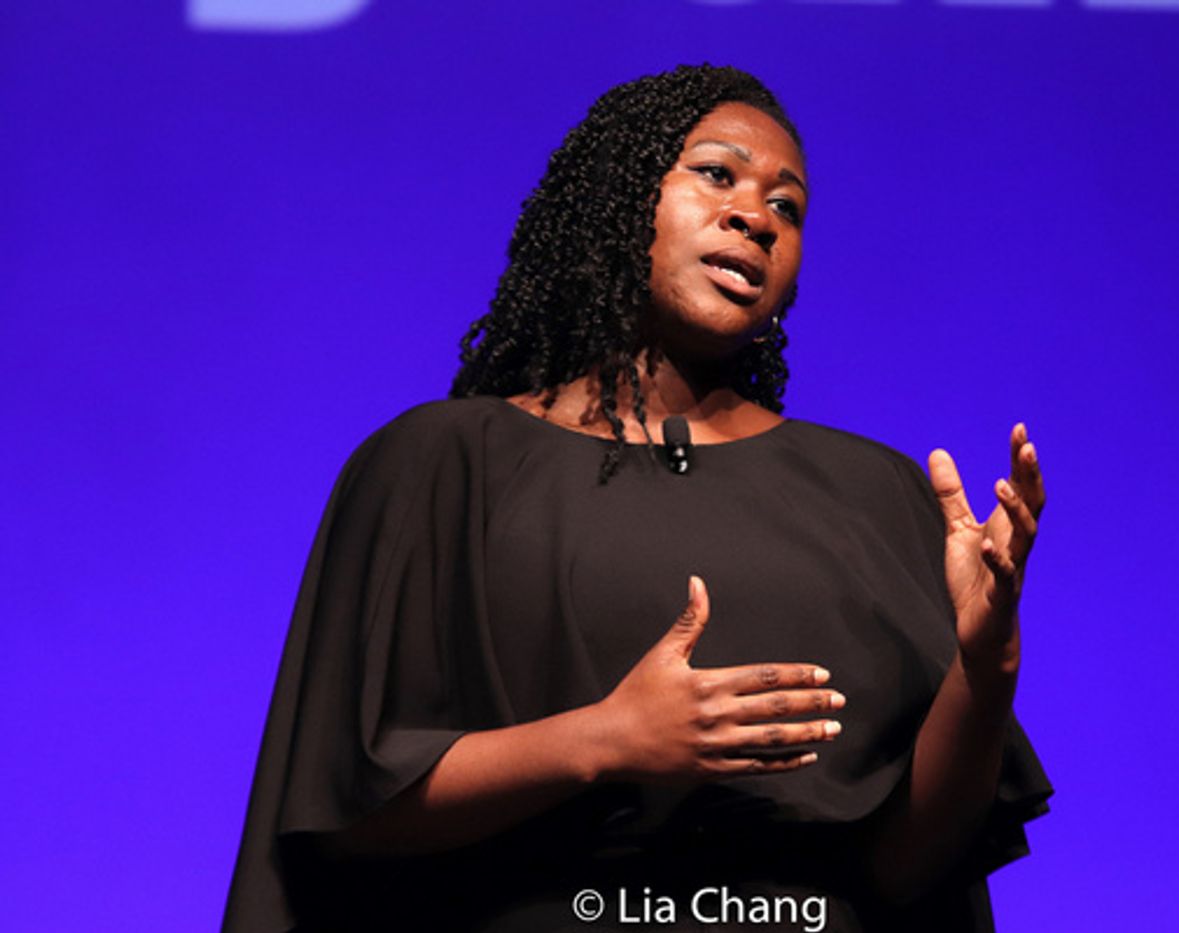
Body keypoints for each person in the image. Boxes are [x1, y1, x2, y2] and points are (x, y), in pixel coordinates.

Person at [223, 64, 1052, 932]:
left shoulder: (876, 493)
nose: (756, 218)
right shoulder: (442, 463)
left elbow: (906, 867)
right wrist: (606, 738)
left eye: (788, 207)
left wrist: (985, 662)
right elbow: (340, 813)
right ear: (619, 196)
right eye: (717, 173)